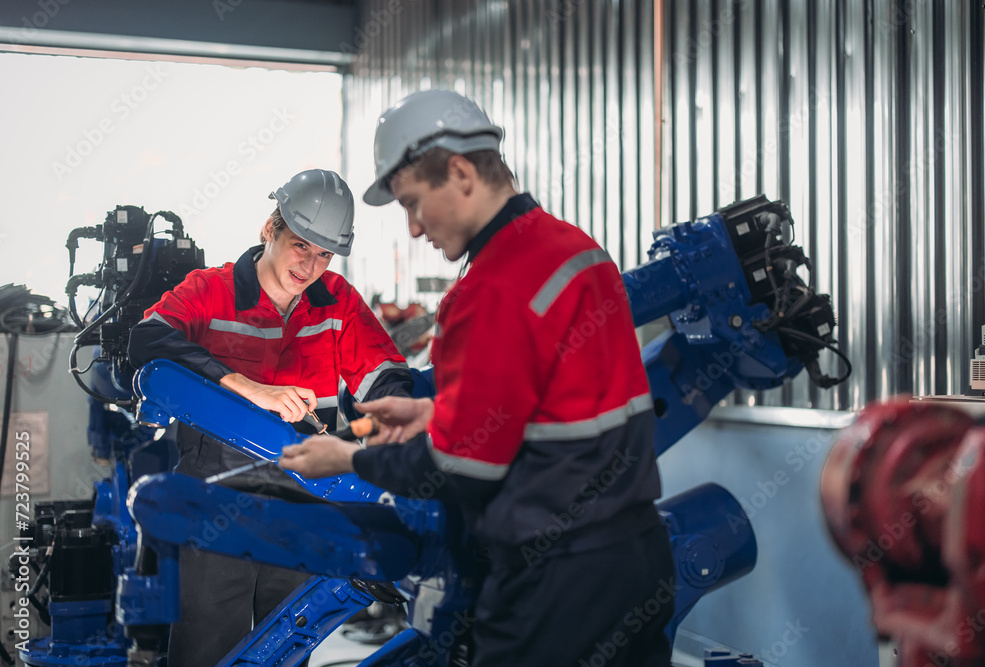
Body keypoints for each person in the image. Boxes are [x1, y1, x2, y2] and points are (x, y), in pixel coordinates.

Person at [280, 91, 676, 666]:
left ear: (461, 173)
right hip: (639, 558)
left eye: (413, 203)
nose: (414, 228)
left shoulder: (488, 288)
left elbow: (460, 469)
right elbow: (550, 403)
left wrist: (346, 458)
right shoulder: (578, 249)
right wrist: (432, 412)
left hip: (554, 583)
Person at [128, 169, 412, 667]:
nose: (310, 265)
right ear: (269, 229)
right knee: (208, 646)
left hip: (305, 502)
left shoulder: (338, 302)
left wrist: (400, 420)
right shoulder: (210, 289)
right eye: (301, 245)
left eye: (324, 254)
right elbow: (148, 339)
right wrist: (246, 386)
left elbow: (383, 375)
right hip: (217, 499)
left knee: (288, 645)